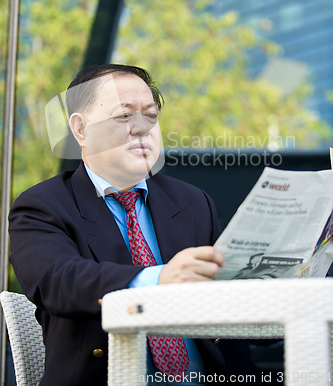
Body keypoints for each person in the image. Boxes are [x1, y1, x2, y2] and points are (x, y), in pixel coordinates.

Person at [8, 64, 244, 386]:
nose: (141, 128)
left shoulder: (193, 203)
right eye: (124, 116)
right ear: (80, 130)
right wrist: (159, 278)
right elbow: (57, 281)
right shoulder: (43, 205)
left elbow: (232, 313)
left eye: (151, 115)